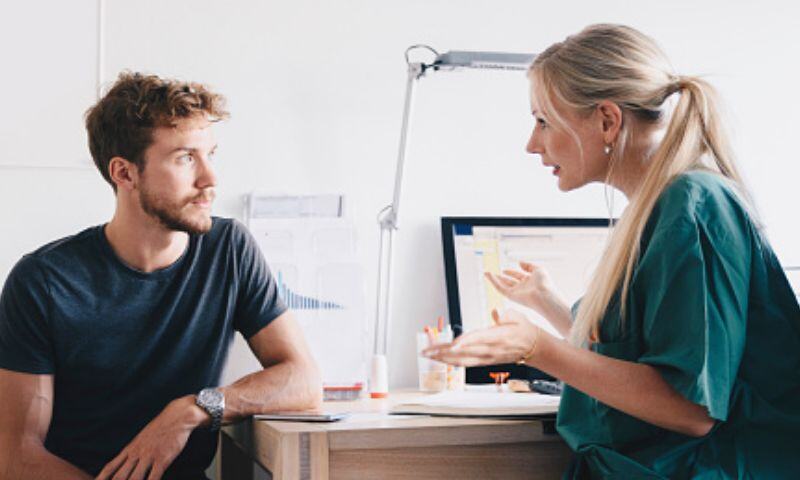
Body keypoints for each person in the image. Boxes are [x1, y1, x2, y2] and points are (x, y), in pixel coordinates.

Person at [424, 24, 800, 478]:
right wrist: (551, 307)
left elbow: (690, 409)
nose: (532, 143)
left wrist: (536, 347)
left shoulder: (693, 205)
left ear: (607, 119)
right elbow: (640, 359)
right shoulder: (654, 211)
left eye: (544, 121)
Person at [0, 72, 322, 480]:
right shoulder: (44, 282)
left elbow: (304, 380)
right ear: (125, 174)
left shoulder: (230, 249)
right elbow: (17, 458)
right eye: (185, 158)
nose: (210, 179)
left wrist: (194, 408)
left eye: (210, 154)